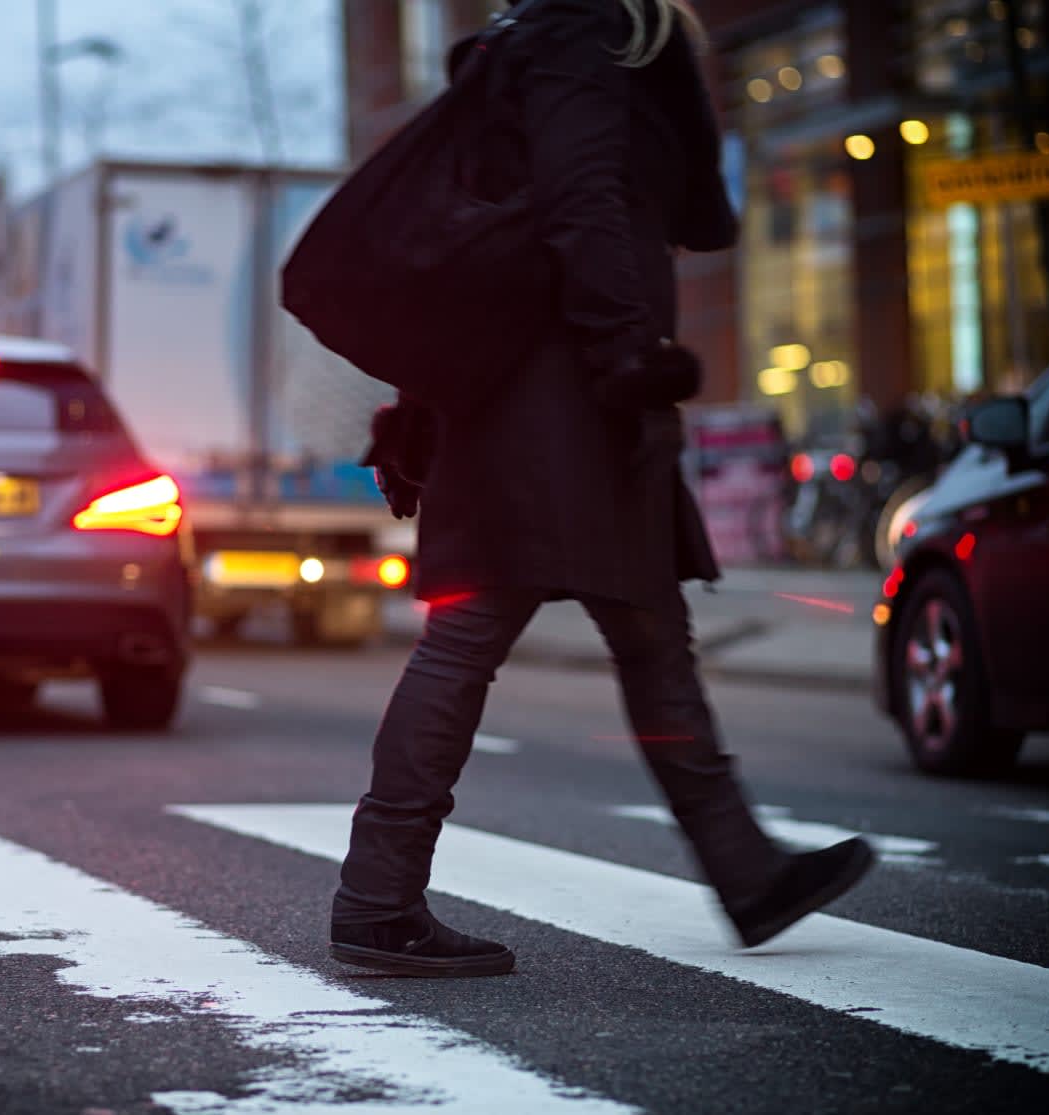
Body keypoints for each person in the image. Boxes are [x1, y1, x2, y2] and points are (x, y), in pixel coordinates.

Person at [330, 0, 875, 978]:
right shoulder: (584, 34)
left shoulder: (522, 44)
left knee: (643, 631)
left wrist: (423, 405)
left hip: (523, 397)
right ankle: (377, 897)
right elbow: (582, 204)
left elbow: (472, 249)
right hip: (569, 401)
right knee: (484, 631)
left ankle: (743, 867)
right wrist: (629, 359)